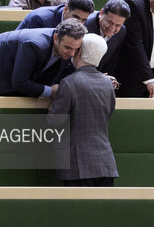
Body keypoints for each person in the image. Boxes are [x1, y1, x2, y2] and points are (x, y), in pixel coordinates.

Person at [48, 33, 118, 186]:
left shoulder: (68, 83)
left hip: (77, 166)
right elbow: (109, 114)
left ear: (79, 52)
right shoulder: (108, 84)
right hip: (106, 164)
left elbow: (54, 122)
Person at [0, 19, 86, 97]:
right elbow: (19, 82)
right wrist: (50, 91)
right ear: (55, 38)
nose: (72, 53)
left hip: (11, 69)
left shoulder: (68, 47)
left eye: (76, 49)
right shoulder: (35, 45)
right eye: (68, 48)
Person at [84, 0, 130, 76]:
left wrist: (106, 77)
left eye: (117, 25)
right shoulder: (86, 25)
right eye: (110, 22)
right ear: (101, 13)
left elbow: (112, 61)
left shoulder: (122, 31)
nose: (112, 28)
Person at [16, 0, 94, 30]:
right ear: (66, 9)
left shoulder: (87, 23)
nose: (79, 23)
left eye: (83, 20)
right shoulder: (40, 20)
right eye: (76, 17)